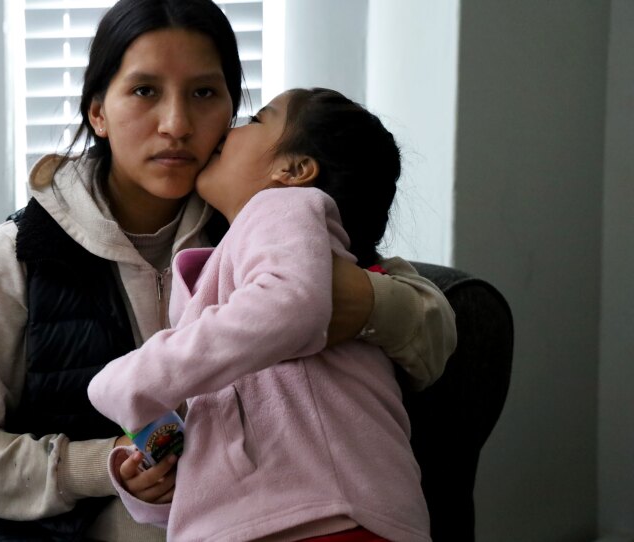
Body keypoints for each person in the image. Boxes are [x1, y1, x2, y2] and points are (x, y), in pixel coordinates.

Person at [0, 1, 455, 541]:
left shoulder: (264, 207)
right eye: (145, 91)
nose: (176, 125)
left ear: (229, 111)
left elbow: (434, 334)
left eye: (203, 93)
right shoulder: (21, 251)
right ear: (98, 112)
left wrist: (362, 302)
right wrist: (103, 464)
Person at [88, 88, 429, 542]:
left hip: (323, 513)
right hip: (255, 517)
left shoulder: (283, 206)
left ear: (292, 170)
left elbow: (291, 306)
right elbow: (223, 415)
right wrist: (152, 476)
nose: (228, 130)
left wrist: (137, 376)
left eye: (255, 119)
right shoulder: (224, 261)